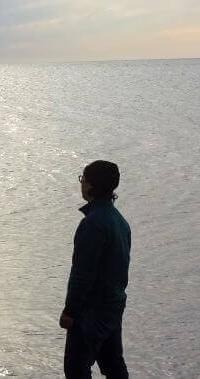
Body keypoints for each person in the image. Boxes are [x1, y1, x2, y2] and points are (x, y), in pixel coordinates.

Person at [60, 160, 131, 378]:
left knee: (76, 369)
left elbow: (82, 273)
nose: (81, 184)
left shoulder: (92, 223)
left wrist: (70, 311)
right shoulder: (120, 222)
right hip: (113, 307)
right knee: (114, 368)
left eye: (83, 179)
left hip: (90, 311)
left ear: (90, 185)